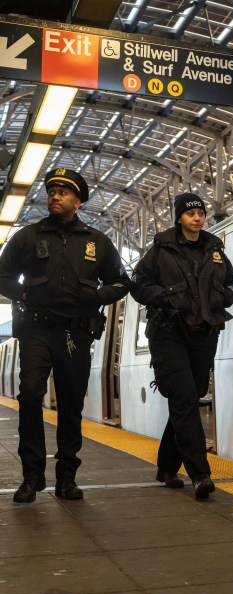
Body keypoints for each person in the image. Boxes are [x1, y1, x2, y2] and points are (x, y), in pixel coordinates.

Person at [0, 167, 131, 503]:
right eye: (51, 191)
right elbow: (1, 275)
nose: (54, 196)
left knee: (71, 404)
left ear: (77, 201)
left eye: (62, 192)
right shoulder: (28, 237)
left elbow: (121, 281)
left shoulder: (97, 242)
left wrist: (98, 297)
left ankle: (66, 478)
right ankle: (32, 476)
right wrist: (23, 295)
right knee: (29, 395)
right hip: (36, 330)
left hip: (76, 333)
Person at [130, 192, 233, 500]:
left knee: (189, 397)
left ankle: (166, 467)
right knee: (185, 396)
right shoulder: (161, 249)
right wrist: (164, 298)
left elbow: (230, 279)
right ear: (179, 218)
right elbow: (137, 284)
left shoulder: (214, 249)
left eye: (201, 212)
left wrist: (223, 296)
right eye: (191, 213)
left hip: (204, 332)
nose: (197, 217)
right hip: (169, 333)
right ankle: (199, 474)